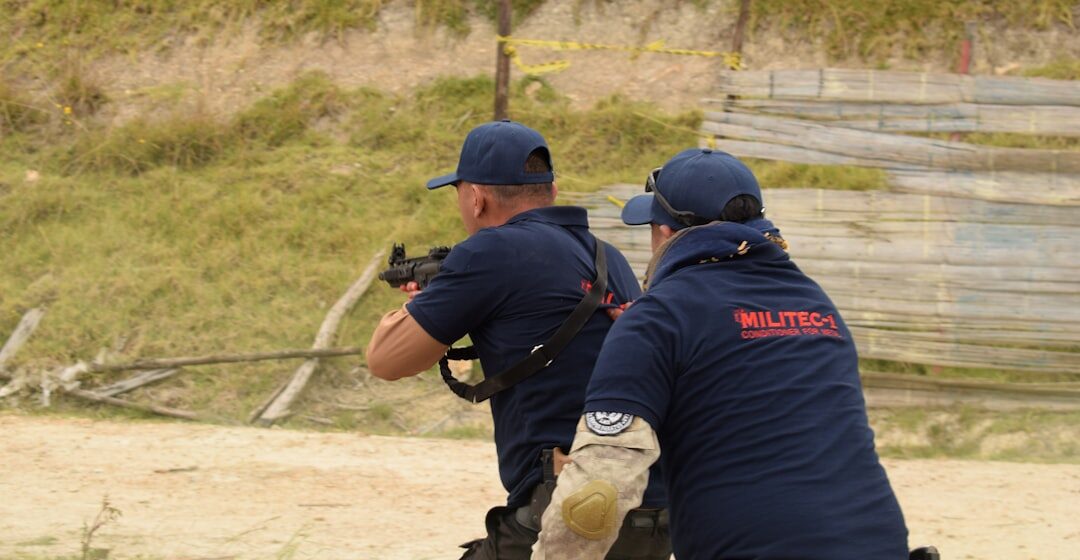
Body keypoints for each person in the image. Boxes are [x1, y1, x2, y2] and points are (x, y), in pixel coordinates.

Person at [535, 148, 910, 559]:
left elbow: (597, 492)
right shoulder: (816, 305)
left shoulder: (658, 316)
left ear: (662, 231)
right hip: (879, 544)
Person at [364, 120, 671, 560]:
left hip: (573, 510)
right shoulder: (610, 257)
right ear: (552, 189)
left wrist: (423, 305)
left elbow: (386, 360)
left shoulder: (490, 251)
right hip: (651, 511)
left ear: (476, 197)